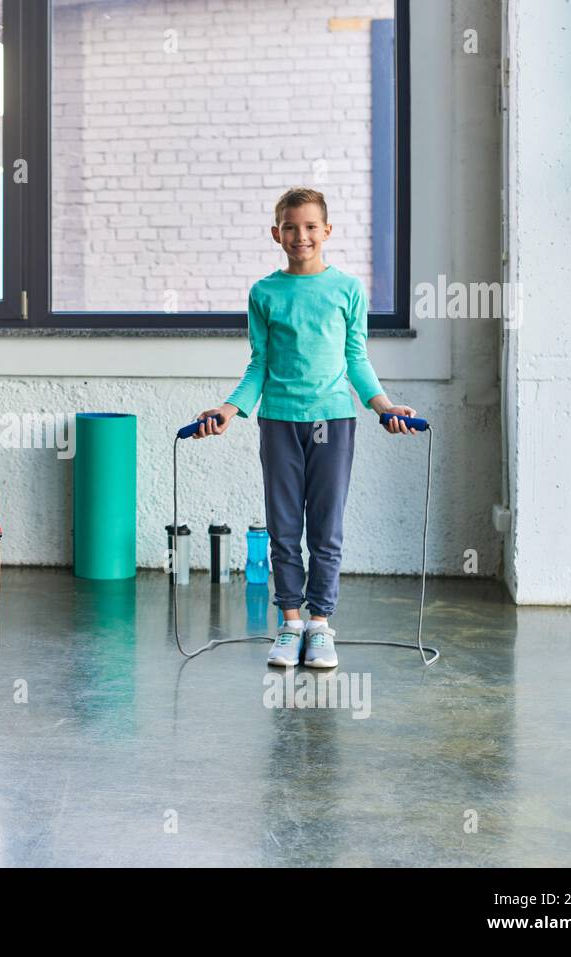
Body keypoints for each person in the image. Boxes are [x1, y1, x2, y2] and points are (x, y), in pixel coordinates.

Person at [192, 186, 420, 668]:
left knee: (326, 528)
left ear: (327, 231)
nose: (302, 235)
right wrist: (231, 409)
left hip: (333, 421)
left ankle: (320, 625)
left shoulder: (347, 291)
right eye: (291, 227)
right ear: (277, 234)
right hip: (279, 421)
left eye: (311, 226)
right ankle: (290, 622)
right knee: (284, 527)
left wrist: (383, 407)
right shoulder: (264, 293)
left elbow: (356, 359)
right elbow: (259, 365)